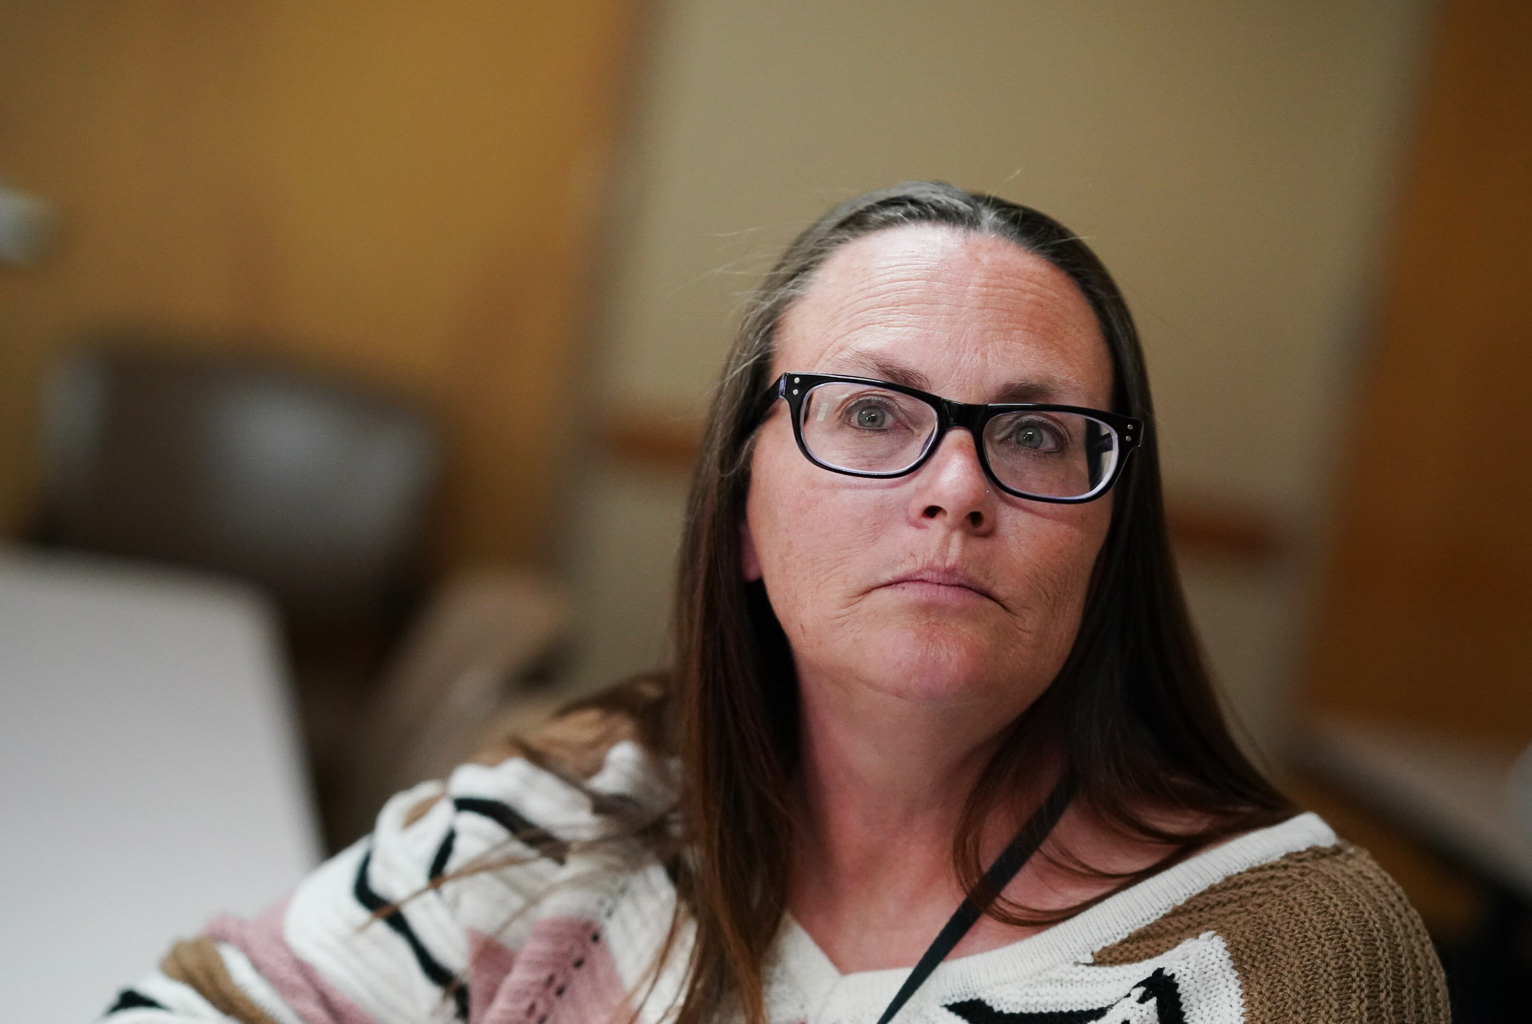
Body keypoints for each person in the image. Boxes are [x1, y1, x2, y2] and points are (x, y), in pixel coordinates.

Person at [105, 183, 1448, 1024]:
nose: (958, 487)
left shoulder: (1288, 963)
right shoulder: (584, 805)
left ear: (1108, 541)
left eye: (1038, 436)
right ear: (743, 514)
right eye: (870, 413)